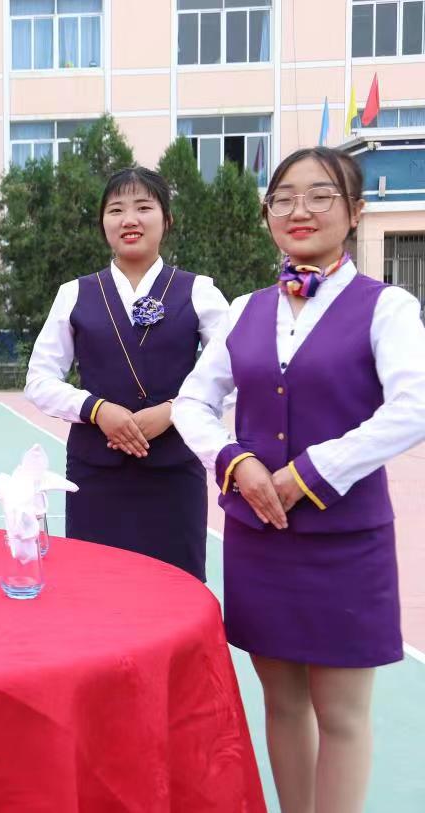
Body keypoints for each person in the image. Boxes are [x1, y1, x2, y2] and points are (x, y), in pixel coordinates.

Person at [173, 146, 425, 813]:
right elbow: (192, 402)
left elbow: (414, 406)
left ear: (356, 212)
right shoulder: (244, 309)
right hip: (258, 535)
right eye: (283, 197)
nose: (299, 210)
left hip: (346, 539)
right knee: (281, 702)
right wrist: (234, 461)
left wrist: (312, 472)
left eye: (320, 195)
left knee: (341, 711)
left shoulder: (387, 307)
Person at [24, 166, 228, 579]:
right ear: (103, 223)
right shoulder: (75, 293)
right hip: (96, 473)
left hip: (174, 473)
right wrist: (97, 410)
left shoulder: (199, 291)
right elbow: (39, 380)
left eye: (143, 207)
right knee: (96, 587)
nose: (129, 219)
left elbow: (237, 372)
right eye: (116, 210)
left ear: (167, 219)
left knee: (176, 587)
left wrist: (174, 411)